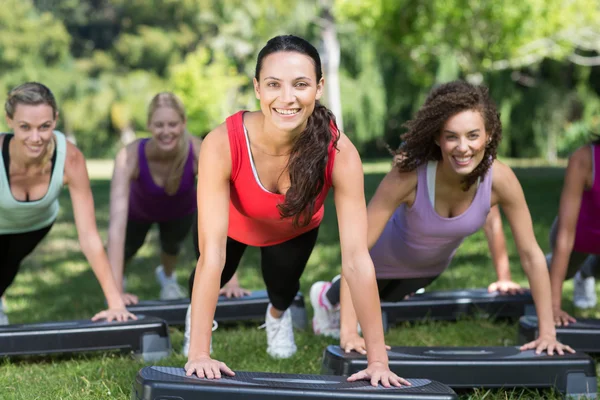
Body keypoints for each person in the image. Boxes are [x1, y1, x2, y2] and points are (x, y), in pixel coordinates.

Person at [184, 35, 407, 388]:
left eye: (300, 84)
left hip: (293, 228)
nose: (287, 98)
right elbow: (212, 254)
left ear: (318, 87)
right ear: (257, 88)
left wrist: (377, 360)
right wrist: (199, 353)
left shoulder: (340, 152)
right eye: (274, 84)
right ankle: (196, 321)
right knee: (212, 274)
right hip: (233, 222)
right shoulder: (222, 143)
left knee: (283, 292)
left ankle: (276, 317)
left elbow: (356, 259)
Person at [311, 80, 572, 356]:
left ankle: (349, 301)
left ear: (489, 135)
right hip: (375, 265)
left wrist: (547, 333)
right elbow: (357, 250)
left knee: (389, 299)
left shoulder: (500, 179)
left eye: (473, 135)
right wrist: (350, 333)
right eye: (452, 136)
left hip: (426, 274)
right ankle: (325, 296)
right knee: (367, 292)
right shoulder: (409, 175)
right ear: (437, 137)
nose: (463, 148)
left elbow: (531, 255)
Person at [0, 82, 134, 325]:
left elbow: (89, 236)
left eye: (44, 127)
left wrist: (115, 302)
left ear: (55, 119)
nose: (35, 137)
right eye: (24, 127)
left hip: (34, 226)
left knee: (6, 270)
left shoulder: (70, 159)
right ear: (9, 121)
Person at [107, 92, 202, 303]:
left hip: (180, 211)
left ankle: (168, 280)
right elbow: (116, 227)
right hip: (138, 211)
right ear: (149, 125)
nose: (166, 131)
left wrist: (231, 281)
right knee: (128, 249)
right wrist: (114, 294)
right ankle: (116, 282)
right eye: (159, 125)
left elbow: (221, 212)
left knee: (172, 246)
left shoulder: (197, 150)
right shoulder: (129, 155)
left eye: (173, 124)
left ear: (183, 123)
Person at [547, 136, 600, 325]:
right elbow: (565, 236)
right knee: (548, 277)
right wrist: (553, 307)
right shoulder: (584, 159)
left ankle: (586, 272)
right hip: (576, 238)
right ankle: (548, 265)